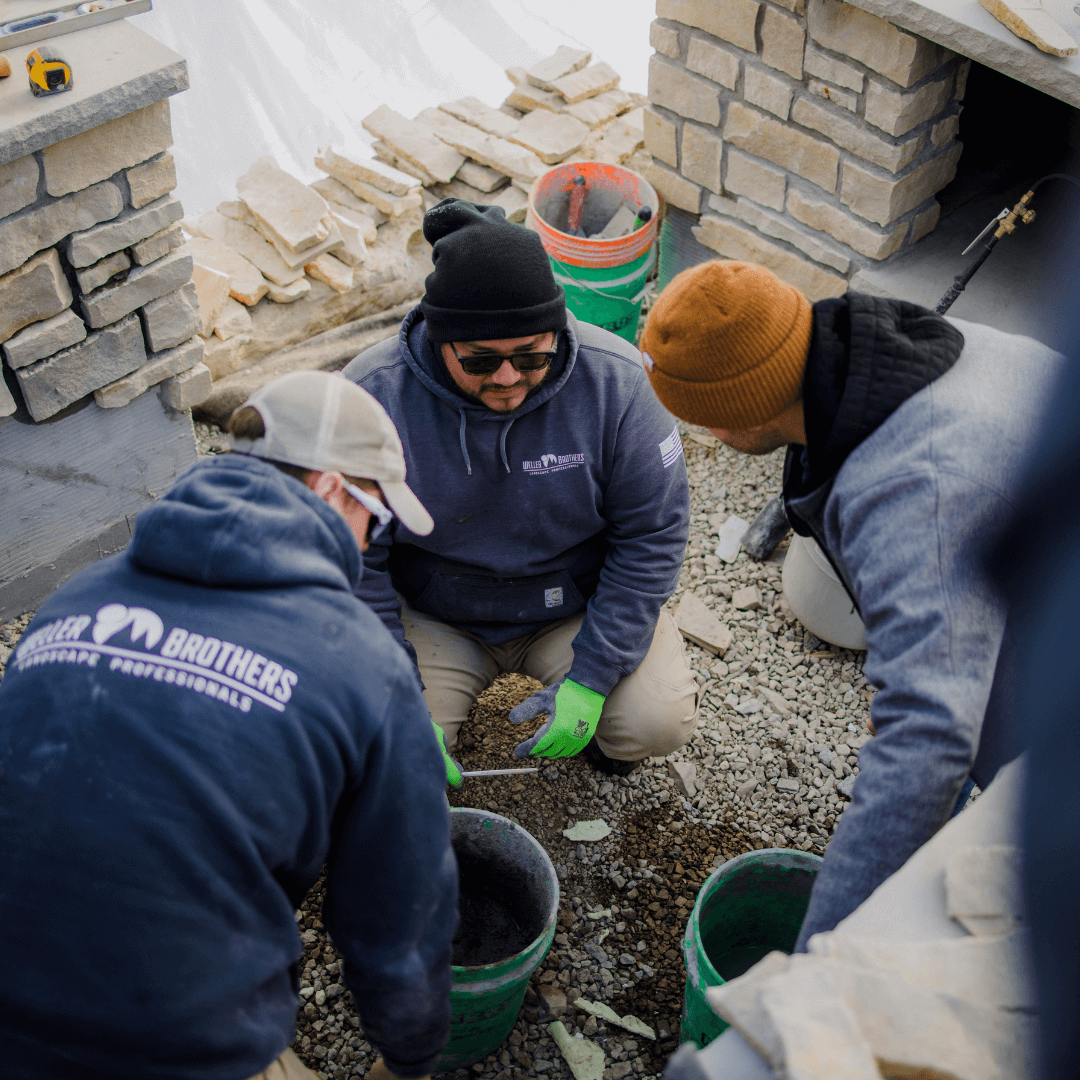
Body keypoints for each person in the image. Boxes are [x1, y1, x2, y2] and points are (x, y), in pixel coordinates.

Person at [0, 371, 456, 1080]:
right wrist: (411, 1055)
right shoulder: (358, 659)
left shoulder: (75, 598)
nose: (369, 545)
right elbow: (396, 913)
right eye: (378, 517)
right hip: (172, 1045)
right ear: (335, 489)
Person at [639, 259, 1064, 947]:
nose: (710, 438)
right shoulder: (896, 349)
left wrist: (821, 952)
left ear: (742, 412)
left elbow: (928, 735)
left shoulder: (913, 489)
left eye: (708, 422)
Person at [343, 199, 698, 779]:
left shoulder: (620, 385)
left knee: (655, 720)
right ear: (440, 339)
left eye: (531, 355)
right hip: (435, 610)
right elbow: (356, 560)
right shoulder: (372, 396)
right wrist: (397, 689)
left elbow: (652, 535)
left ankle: (603, 740)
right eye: (481, 361)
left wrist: (594, 676)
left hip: (571, 604)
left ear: (558, 329)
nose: (508, 379)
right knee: (382, 749)